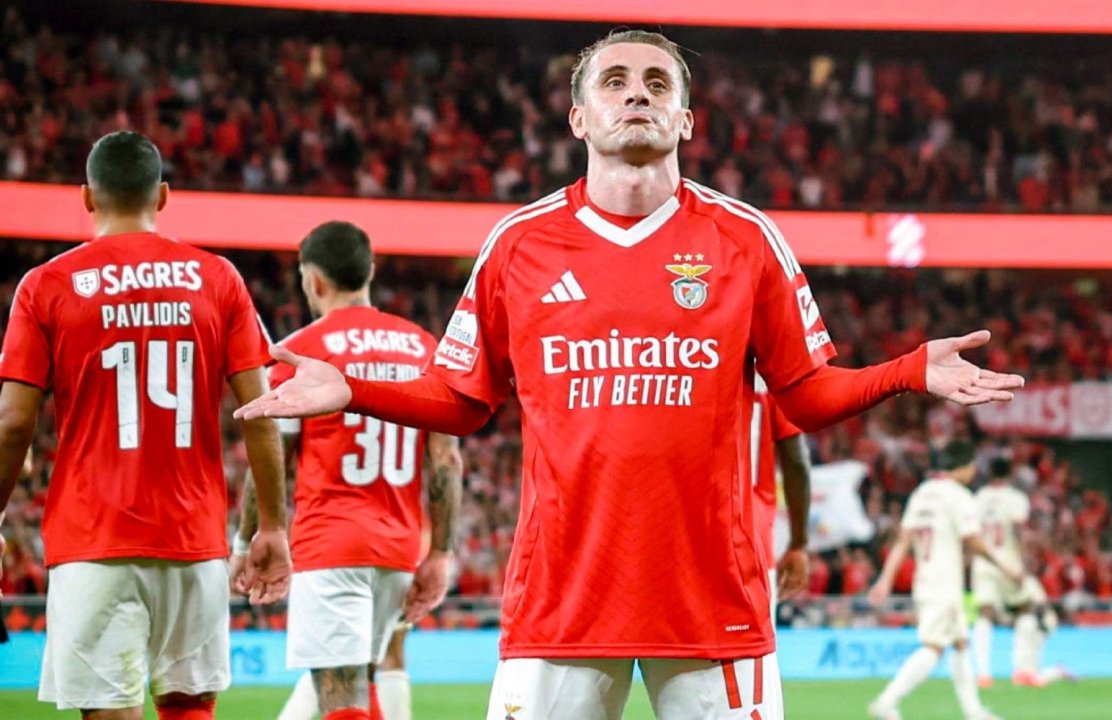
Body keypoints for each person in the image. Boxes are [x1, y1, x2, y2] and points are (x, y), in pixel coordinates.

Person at [235, 30, 1023, 719]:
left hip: (714, 602)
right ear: (579, 117)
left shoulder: (746, 240)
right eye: (614, 82)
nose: (636, 94)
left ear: (686, 119)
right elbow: (464, 401)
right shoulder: (520, 244)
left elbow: (807, 396)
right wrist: (354, 391)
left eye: (656, 83)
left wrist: (906, 371)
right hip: (560, 602)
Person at [0, 131, 291, 720]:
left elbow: (12, 425)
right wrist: (273, 525)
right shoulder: (219, 278)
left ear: (87, 197)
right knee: (189, 708)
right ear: (162, 196)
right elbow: (261, 411)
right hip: (194, 540)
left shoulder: (46, 285)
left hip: (93, 538)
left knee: (110, 710)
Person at [230, 222, 463, 720]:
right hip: (399, 550)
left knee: (341, 697)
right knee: (359, 683)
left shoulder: (300, 351)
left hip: (331, 545)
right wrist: (441, 552)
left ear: (312, 280)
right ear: (370, 272)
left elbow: (271, 454)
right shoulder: (423, 347)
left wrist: (246, 539)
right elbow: (445, 458)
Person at [867, 443, 1022, 720]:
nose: (973, 472)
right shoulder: (958, 496)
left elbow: (903, 541)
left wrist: (885, 579)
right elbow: (973, 540)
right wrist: (1004, 565)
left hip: (925, 580)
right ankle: (886, 702)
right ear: (963, 467)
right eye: (972, 467)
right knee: (934, 646)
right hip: (944, 583)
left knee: (960, 643)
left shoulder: (922, 493)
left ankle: (974, 712)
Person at [750, 376, 813, 618]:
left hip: (690, 545)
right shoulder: (770, 379)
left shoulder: (687, 374)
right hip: (752, 542)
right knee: (752, 641)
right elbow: (797, 461)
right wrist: (798, 544)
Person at [969, 455, 1034, 688]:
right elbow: (1019, 531)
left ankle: (983, 674)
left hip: (983, 561)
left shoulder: (978, 498)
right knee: (1025, 608)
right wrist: (1024, 564)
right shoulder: (1016, 498)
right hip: (1008, 560)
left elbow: (971, 533)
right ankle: (1021, 670)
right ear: (1010, 473)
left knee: (984, 613)